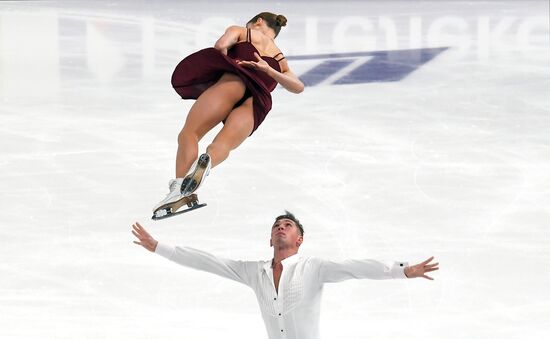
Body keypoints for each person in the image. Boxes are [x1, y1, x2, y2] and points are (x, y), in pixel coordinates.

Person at [131, 212, 439, 339]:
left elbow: (357, 267)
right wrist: (159, 247)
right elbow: (208, 262)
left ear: (300, 239)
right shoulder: (254, 272)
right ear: (270, 239)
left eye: (288, 225)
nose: (281, 227)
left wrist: (402, 271)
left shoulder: (314, 268)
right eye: (277, 225)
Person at [153, 12, 304, 217]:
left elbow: (220, 46)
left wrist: (220, 60)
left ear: (258, 22)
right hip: (258, 102)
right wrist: (269, 71)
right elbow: (298, 87)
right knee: (222, 146)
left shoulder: (242, 32)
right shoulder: (280, 60)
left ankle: (180, 189)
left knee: (190, 134)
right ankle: (207, 163)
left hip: (234, 82)